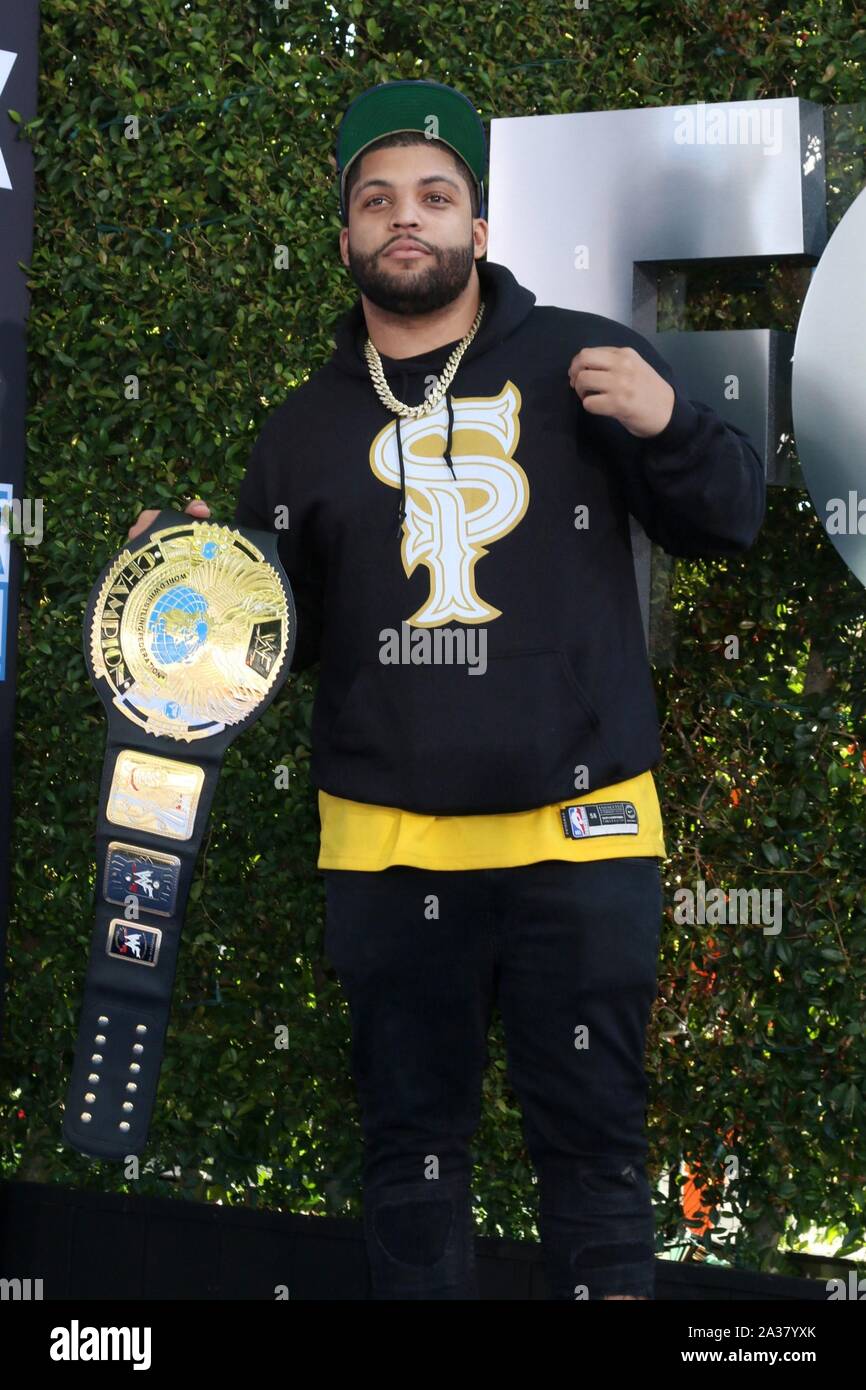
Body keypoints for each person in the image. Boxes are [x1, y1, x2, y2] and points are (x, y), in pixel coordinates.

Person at [128, 79, 765, 1300]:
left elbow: (729, 518)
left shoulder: (587, 359)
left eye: (433, 195)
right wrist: (195, 588)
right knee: (411, 1162)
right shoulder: (301, 430)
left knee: (594, 1159)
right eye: (376, 202)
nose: (403, 219)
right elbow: (276, 645)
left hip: (580, 844)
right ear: (346, 240)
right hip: (386, 851)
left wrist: (671, 417)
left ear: (478, 224)